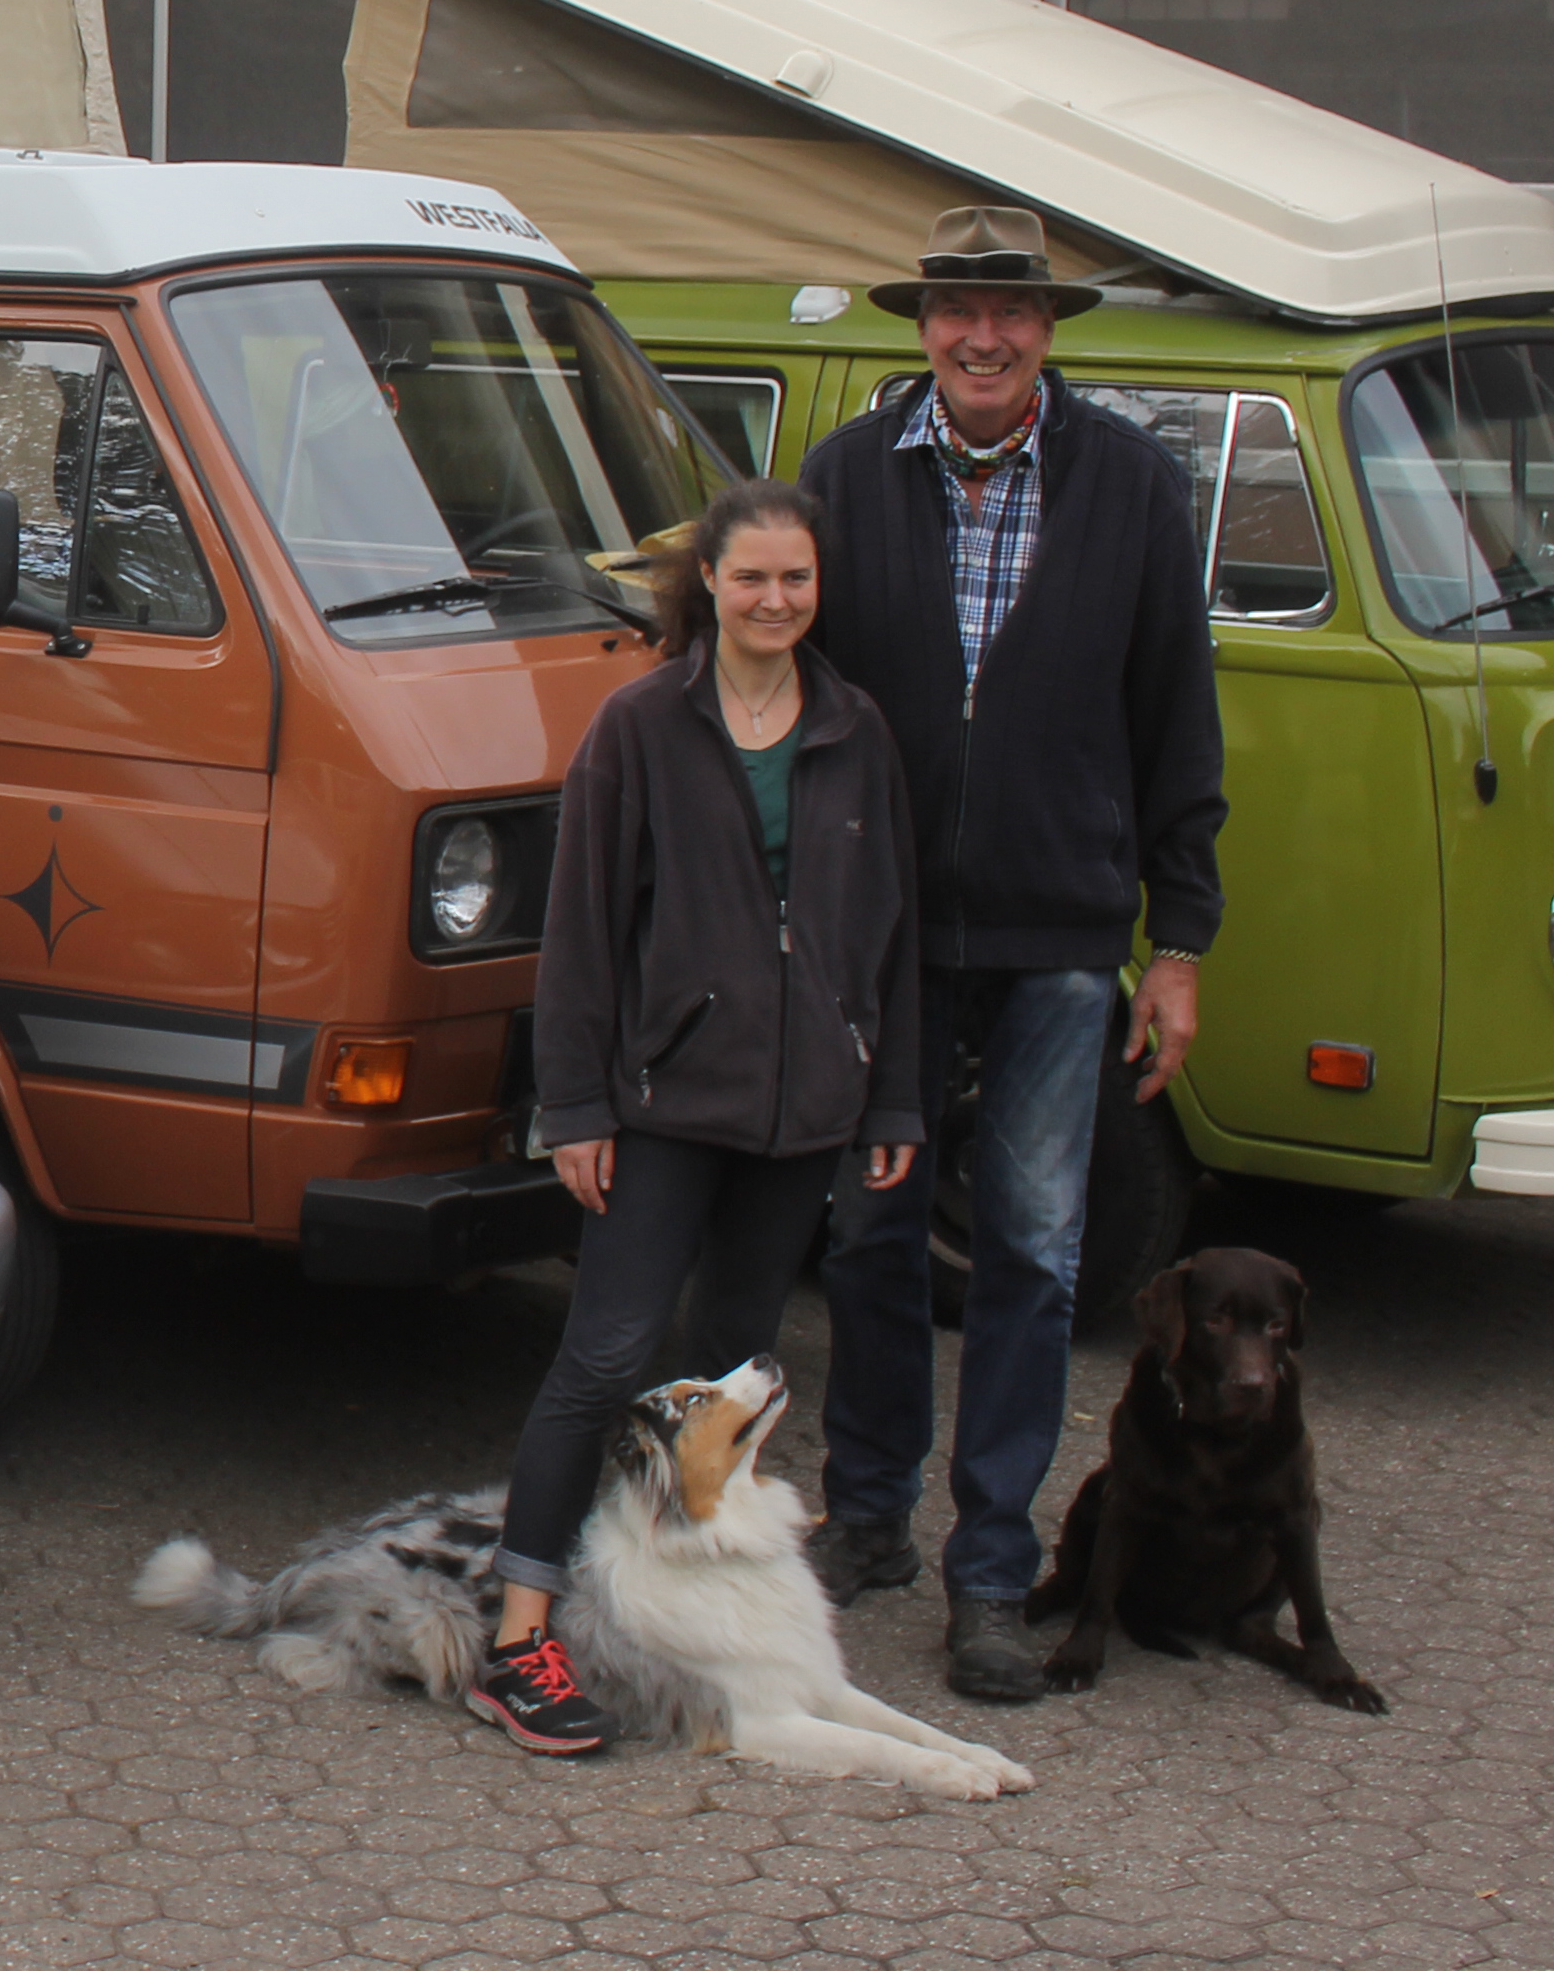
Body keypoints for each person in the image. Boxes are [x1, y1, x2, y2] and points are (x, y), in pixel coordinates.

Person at [799, 205, 1227, 1704]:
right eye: (956, 309)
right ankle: (866, 1521)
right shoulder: (845, 481)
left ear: (1052, 330)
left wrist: (1179, 940)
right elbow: (781, 697)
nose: (984, 336)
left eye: (1013, 311)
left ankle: (990, 1571)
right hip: (886, 932)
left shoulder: (1131, 486)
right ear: (921, 324)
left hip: (1061, 933)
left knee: (1037, 1255)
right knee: (865, 1231)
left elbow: (1180, 721)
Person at [465, 475, 925, 1755]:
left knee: (730, 1369)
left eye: (797, 579)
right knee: (606, 1360)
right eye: (751, 578)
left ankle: (679, 1622)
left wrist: (888, 1089)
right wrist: (576, 1107)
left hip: (807, 1114)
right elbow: (581, 935)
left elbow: (892, 930)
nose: (775, 600)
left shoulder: (856, 730)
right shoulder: (640, 728)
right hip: (663, 1105)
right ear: (707, 587)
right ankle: (520, 1639)